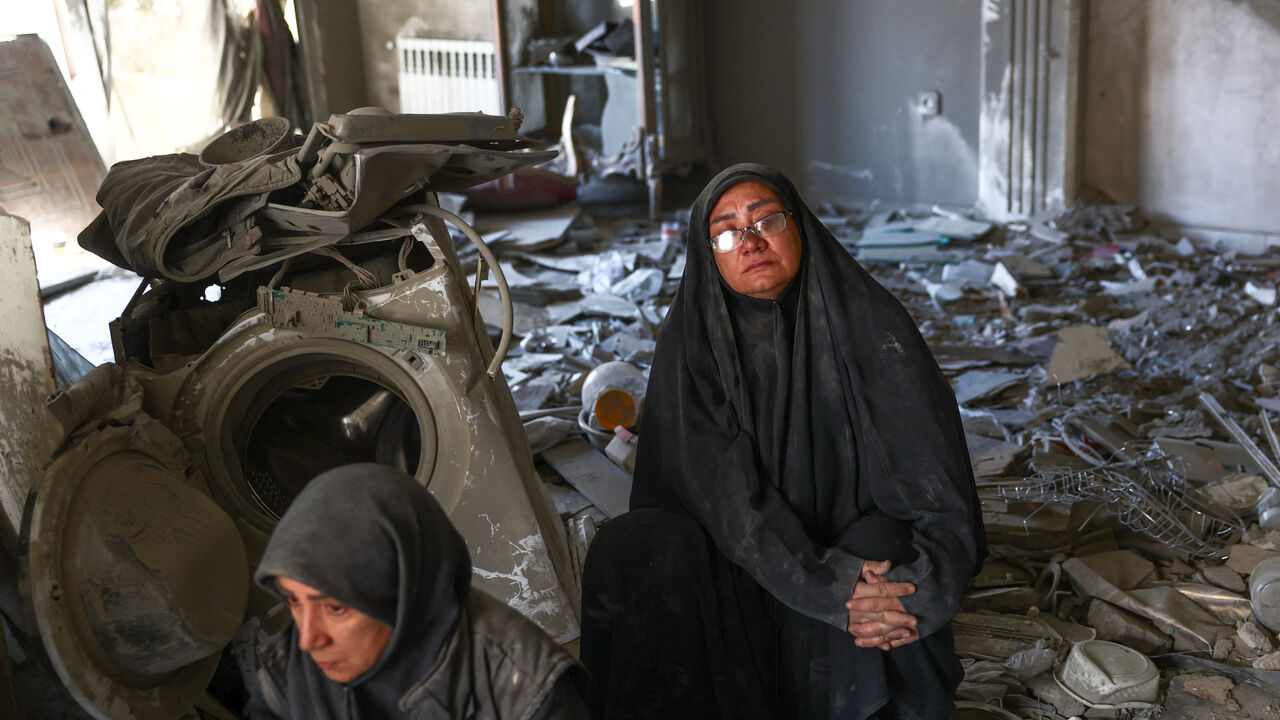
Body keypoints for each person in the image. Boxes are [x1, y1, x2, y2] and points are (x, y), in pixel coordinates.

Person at [580, 164, 985, 719]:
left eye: (766, 219)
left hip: (851, 579)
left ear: (800, 226)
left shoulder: (873, 327)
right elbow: (726, 505)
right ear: (709, 256)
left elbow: (940, 496)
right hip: (737, 579)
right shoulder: (692, 348)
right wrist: (826, 584)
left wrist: (906, 595)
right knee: (638, 544)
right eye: (725, 231)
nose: (749, 241)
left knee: (886, 548)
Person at [240, 463, 588, 719]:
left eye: (335, 608)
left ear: (402, 592)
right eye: (294, 600)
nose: (308, 640)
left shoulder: (524, 690)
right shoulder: (291, 666)